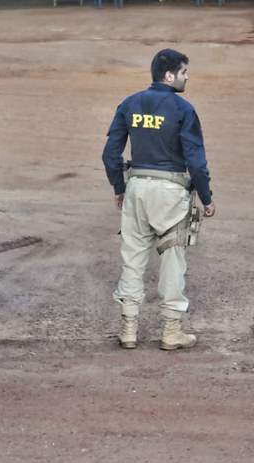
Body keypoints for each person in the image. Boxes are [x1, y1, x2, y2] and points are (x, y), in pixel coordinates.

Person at [102, 48, 216, 351]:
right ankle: (171, 331)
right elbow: (196, 161)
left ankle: (128, 329)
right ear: (169, 75)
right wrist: (206, 197)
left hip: (136, 187)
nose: (186, 77)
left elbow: (111, 154)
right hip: (171, 192)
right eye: (183, 72)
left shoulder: (129, 104)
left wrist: (119, 187)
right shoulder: (183, 109)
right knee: (173, 261)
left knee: (132, 259)